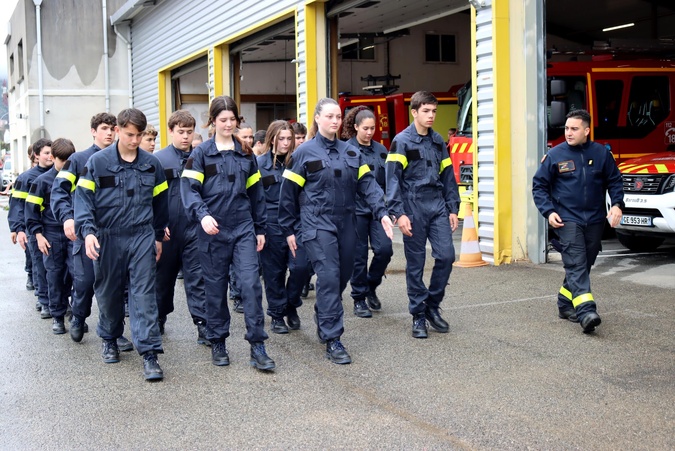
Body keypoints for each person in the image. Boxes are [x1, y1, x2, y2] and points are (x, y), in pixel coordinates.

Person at [279, 98, 394, 364]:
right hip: (317, 224)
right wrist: (289, 230)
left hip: (347, 224)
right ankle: (333, 338)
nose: (335, 121)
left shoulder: (352, 152)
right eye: (329, 116)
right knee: (329, 276)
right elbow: (288, 195)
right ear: (317, 119)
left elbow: (368, 185)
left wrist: (382, 212)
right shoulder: (304, 153)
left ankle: (324, 310)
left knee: (342, 276)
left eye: (338, 117)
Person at [181, 95, 275, 371]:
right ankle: (218, 341)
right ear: (213, 121)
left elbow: (257, 194)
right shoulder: (200, 154)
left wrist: (260, 229)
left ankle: (257, 345)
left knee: (250, 285)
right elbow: (189, 191)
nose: (228, 124)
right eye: (223, 120)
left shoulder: (246, 152)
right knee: (214, 288)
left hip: (243, 227)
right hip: (213, 230)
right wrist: (203, 215)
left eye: (232, 119)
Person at [75, 108, 169, 381]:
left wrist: (158, 236)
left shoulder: (152, 164)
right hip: (107, 236)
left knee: (143, 295)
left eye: (139, 135)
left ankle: (150, 354)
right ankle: (110, 338)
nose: (135, 140)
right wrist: (88, 232)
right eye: (129, 134)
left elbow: (160, 203)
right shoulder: (97, 162)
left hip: (141, 236)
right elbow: (83, 201)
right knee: (109, 292)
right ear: (117, 130)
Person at [532, 109, 624, 333]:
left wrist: (617, 205)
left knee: (584, 263)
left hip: (594, 220)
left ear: (586, 130)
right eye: (566, 128)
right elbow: (539, 186)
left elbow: (615, 181)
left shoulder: (601, 153)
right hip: (567, 219)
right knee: (576, 263)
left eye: (574, 129)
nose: (568, 133)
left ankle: (565, 303)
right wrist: (548, 211)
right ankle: (586, 311)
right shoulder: (555, 155)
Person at [51, 113, 132, 350]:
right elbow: (59, 191)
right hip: (86, 232)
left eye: (113, 128)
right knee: (85, 282)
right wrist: (68, 218)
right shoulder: (77, 160)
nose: (109, 132)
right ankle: (78, 314)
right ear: (93, 131)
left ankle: (113, 333)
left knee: (114, 285)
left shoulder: (125, 158)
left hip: (115, 233)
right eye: (105, 128)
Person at [385, 91, 460, 339]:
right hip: (413, 206)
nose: (431, 116)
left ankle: (431, 306)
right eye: (426, 111)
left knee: (447, 256)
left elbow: (448, 177)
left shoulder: (438, 141)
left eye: (434, 111)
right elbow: (392, 179)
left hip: (437, 204)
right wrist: (399, 213)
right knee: (415, 265)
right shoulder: (401, 141)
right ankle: (418, 315)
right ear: (414, 112)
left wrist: (453, 208)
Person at [153, 110, 209, 344]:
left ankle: (203, 324)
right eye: (180, 132)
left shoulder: (201, 158)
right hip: (167, 231)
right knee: (162, 279)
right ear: (171, 131)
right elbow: (151, 198)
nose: (185, 137)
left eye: (189, 132)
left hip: (194, 229)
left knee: (197, 278)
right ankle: (159, 318)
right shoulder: (157, 160)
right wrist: (157, 226)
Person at [257, 120, 311, 334]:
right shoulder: (259, 164)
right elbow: (254, 199)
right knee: (274, 272)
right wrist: (258, 228)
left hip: (296, 222)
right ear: (272, 139)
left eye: (289, 139)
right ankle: (277, 314)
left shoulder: (298, 162)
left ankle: (290, 303)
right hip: (270, 223)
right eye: (281, 139)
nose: (286, 143)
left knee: (301, 267)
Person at [342, 106, 393, 318]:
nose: (370, 132)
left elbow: (388, 181)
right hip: (355, 211)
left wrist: (392, 208)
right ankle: (359, 298)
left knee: (385, 250)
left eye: (373, 128)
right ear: (355, 127)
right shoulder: (346, 150)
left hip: (377, 210)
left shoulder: (382, 150)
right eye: (365, 128)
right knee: (358, 256)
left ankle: (372, 285)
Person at [25, 138, 76, 334]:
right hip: (51, 234)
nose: (66, 165)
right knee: (54, 276)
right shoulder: (42, 182)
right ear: (54, 158)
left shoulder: (77, 179)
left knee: (76, 275)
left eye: (69, 160)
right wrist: (38, 235)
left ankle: (76, 314)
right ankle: (57, 316)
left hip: (73, 234)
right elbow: (31, 212)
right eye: (62, 160)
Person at [8, 139, 53, 318]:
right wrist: (18, 229)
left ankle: (59, 301)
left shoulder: (60, 175)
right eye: (46, 153)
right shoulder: (26, 178)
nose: (50, 156)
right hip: (34, 228)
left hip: (54, 227)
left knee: (58, 268)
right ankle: (44, 301)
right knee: (40, 265)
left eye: (52, 153)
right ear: (36, 155)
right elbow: (17, 205)